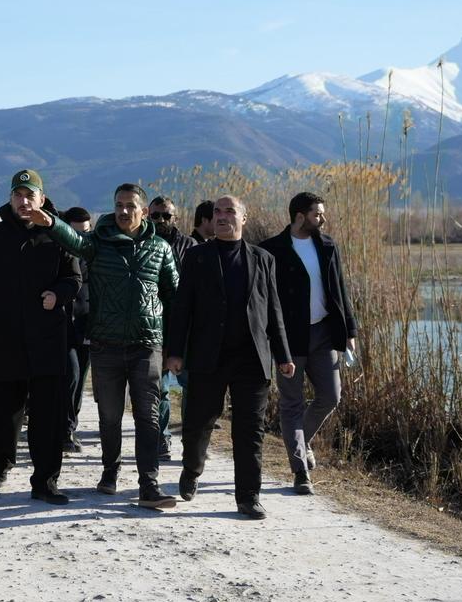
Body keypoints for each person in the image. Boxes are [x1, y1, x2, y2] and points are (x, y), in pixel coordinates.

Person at [30, 183, 178, 509]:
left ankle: (149, 484)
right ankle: (110, 470)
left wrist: (174, 346)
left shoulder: (160, 248)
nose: (124, 211)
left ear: (142, 211)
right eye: (119, 205)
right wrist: (51, 223)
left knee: (148, 417)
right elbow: (75, 241)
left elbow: (174, 296)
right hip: (106, 346)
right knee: (110, 417)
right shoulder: (99, 244)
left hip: (147, 345)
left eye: (131, 206)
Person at [166, 195, 295, 519]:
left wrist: (283, 355)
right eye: (217, 212)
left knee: (249, 430)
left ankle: (248, 496)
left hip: (251, 358)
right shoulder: (197, 257)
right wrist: (175, 353)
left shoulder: (263, 259)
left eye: (230, 211)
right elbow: (183, 308)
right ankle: (192, 470)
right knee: (199, 422)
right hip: (208, 356)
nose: (222, 217)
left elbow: (273, 310)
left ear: (243, 218)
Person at [0, 169, 81, 505]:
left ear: (42, 199)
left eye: (30, 195)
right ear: (11, 198)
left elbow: (73, 279)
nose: (24, 201)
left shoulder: (59, 236)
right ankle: (0, 462)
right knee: (4, 410)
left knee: (47, 415)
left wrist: (57, 295)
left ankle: (45, 481)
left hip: (47, 339)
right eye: (18, 195)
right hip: (4, 338)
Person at [260, 191, 358, 493]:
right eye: (317, 214)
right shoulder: (270, 250)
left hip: (324, 334)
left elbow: (340, 288)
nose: (323, 219)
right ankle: (300, 471)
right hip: (289, 339)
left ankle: (299, 441)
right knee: (291, 404)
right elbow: (264, 299)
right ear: (299, 216)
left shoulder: (327, 245)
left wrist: (350, 332)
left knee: (331, 396)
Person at [147, 195, 196, 461]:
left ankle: (191, 439)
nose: (162, 220)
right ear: (147, 216)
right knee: (159, 388)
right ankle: (161, 438)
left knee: (190, 387)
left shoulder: (191, 247)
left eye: (167, 215)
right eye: (156, 215)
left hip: (186, 329)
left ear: (175, 218)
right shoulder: (142, 245)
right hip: (154, 327)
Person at [59, 206, 94, 453]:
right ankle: (59, 428)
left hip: (87, 324)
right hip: (60, 325)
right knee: (70, 374)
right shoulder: (55, 253)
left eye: (86, 233)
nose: (82, 239)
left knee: (80, 379)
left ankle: (69, 427)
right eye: (76, 234)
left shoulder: (95, 255)